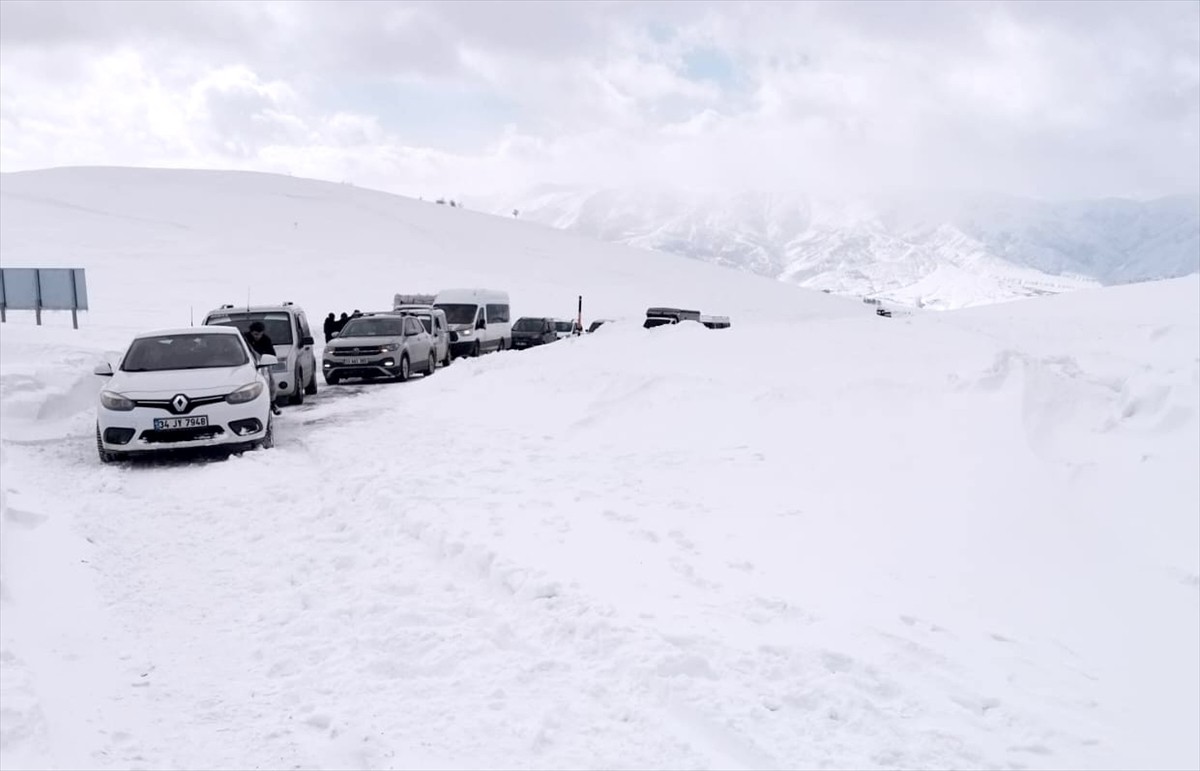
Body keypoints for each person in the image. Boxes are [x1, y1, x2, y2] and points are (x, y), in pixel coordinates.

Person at [244, 321, 281, 415]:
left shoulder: (266, 340)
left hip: (262, 364)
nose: (258, 336)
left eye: (260, 334)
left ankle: (273, 403)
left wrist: (263, 357)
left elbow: (272, 354)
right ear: (251, 332)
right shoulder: (244, 339)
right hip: (246, 365)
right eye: (255, 334)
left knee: (271, 382)